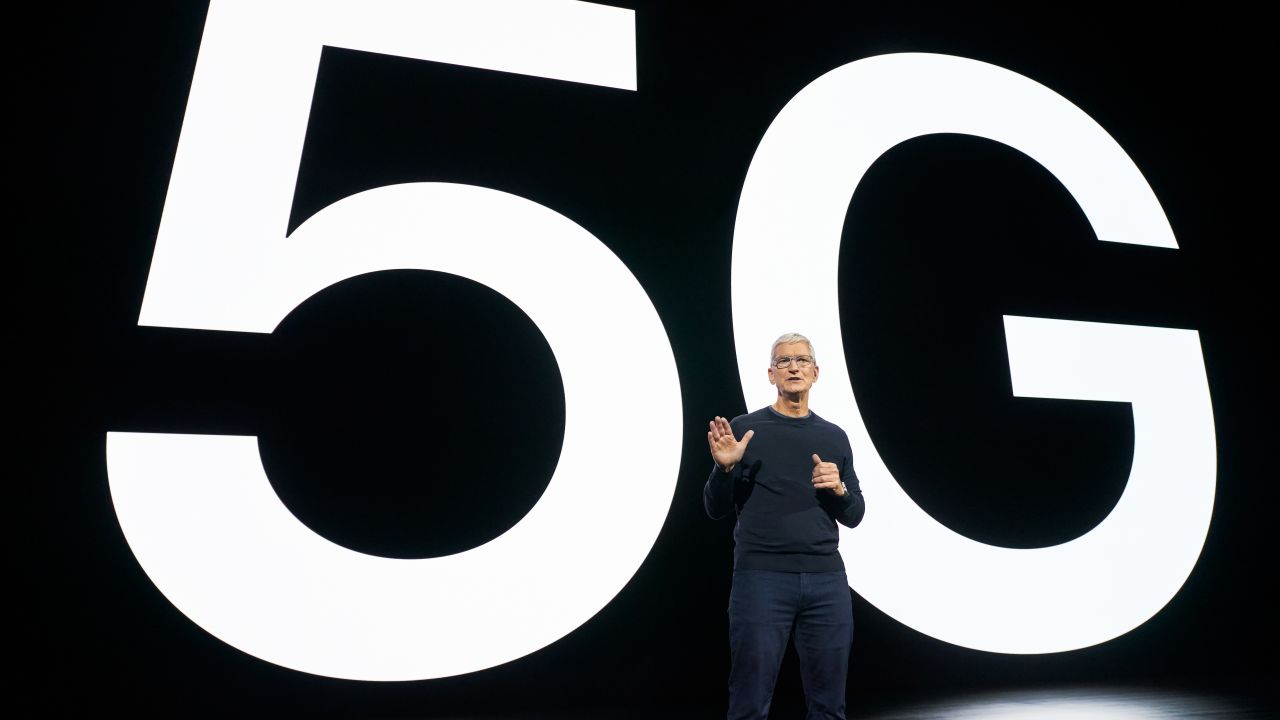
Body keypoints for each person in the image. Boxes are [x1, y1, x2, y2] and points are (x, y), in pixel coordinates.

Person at [704, 332, 866, 720]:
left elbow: (855, 514)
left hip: (826, 580)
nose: (793, 367)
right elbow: (714, 508)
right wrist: (724, 468)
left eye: (802, 360)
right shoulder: (745, 430)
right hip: (762, 578)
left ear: (816, 372)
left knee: (829, 706)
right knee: (749, 701)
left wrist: (839, 489)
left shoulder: (833, 436)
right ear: (771, 375)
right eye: (783, 361)